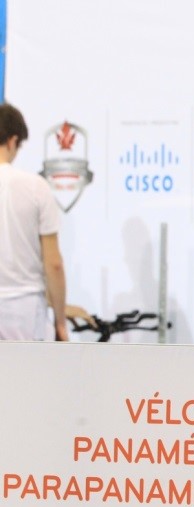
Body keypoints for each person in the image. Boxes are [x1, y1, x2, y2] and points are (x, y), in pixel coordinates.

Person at [0, 102, 69, 341]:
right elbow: (54, 264)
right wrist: (60, 321)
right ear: (12, 141)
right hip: (25, 311)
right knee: (28, 378)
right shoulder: (35, 187)